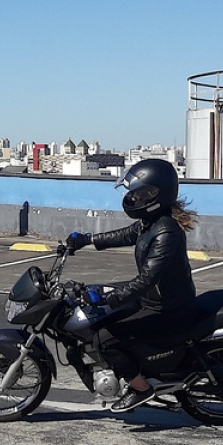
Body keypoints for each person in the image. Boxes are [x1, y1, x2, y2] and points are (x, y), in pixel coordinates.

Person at [67, 158, 198, 413]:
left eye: (139, 194)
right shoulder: (151, 222)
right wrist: (88, 239)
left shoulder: (167, 232)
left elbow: (147, 279)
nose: (133, 199)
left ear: (155, 195)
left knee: (106, 339)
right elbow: (126, 234)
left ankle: (141, 389)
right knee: (104, 318)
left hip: (168, 310)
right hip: (153, 300)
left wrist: (107, 298)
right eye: (133, 193)